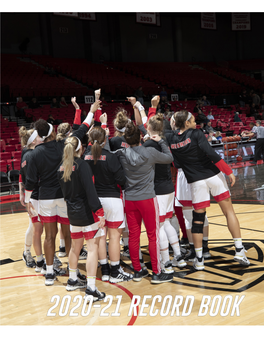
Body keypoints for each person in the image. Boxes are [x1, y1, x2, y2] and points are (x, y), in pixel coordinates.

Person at [24, 97, 101, 286]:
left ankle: (49, 273)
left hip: (45, 199)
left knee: (49, 236)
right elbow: (82, 128)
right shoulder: (63, 145)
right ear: (52, 132)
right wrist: (91, 111)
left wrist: (27, 202)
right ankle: (71, 273)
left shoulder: (34, 154)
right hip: (65, 197)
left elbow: (30, 182)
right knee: (68, 237)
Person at [165, 110, 250, 270]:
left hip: (196, 182)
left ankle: (199, 259)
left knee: (196, 220)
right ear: (187, 123)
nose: (195, 122)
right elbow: (211, 153)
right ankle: (239, 250)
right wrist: (228, 171)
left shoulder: (170, 138)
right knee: (229, 212)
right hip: (213, 176)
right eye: (193, 120)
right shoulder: (196, 134)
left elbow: (176, 164)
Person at [115, 120, 174, 284]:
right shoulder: (149, 152)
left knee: (133, 236)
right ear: (141, 136)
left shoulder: (121, 153)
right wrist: (160, 141)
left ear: (126, 139)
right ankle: (156, 272)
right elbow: (169, 158)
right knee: (152, 235)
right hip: (147, 198)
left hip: (130, 200)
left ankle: (138, 270)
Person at [58, 135, 106, 301]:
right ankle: (91, 289)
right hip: (87, 214)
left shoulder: (62, 167)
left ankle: (72, 280)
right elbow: (90, 192)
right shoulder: (83, 166)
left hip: (72, 214)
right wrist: (100, 212)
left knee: (74, 248)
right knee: (92, 249)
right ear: (80, 148)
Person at [84, 126, 133, 283]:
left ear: (90, 140)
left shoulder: (84, 157)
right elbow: (121, 180)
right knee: (114, 237)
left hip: (94, 202)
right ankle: (114, 271)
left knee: (100, 237)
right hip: (112, 200)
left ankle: (104, 270)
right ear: (105, 140)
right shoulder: (111, 157)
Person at [19, 127, 43, 269]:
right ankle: (27, 252)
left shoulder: (30, 152)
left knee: (40, 228)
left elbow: (22, 175)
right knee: (34, 227)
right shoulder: (28, 155)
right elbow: (26, 177)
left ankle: (40, 254)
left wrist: (21, 193)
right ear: (34, 140)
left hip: (40, 195)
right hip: (33, 196)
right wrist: (24, 195)